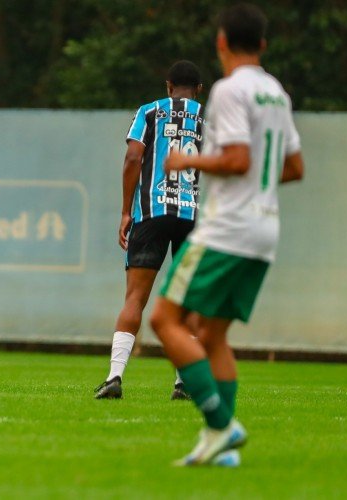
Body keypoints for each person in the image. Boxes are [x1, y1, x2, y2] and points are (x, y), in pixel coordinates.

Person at [150, 3, 304, 466]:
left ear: (220, 42)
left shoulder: (230, 91)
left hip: (226, 229)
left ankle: (221, 424)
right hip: (264, 229)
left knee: (165, 321)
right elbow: (294, 167)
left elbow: (236, 159)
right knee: (211, 335)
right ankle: (218, 447)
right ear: (262, 44)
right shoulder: (276, 92)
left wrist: (188, 161)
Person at [94, 60, 204, 400]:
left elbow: (132, 159)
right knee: (186, 301)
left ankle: (114, 377)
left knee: (135, 298)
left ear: (168, 85)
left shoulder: (150, 111)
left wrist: (126, 211)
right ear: (199, 89)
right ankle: (183, 382)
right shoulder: (206, 117)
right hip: (189, 215)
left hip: (150, 212)